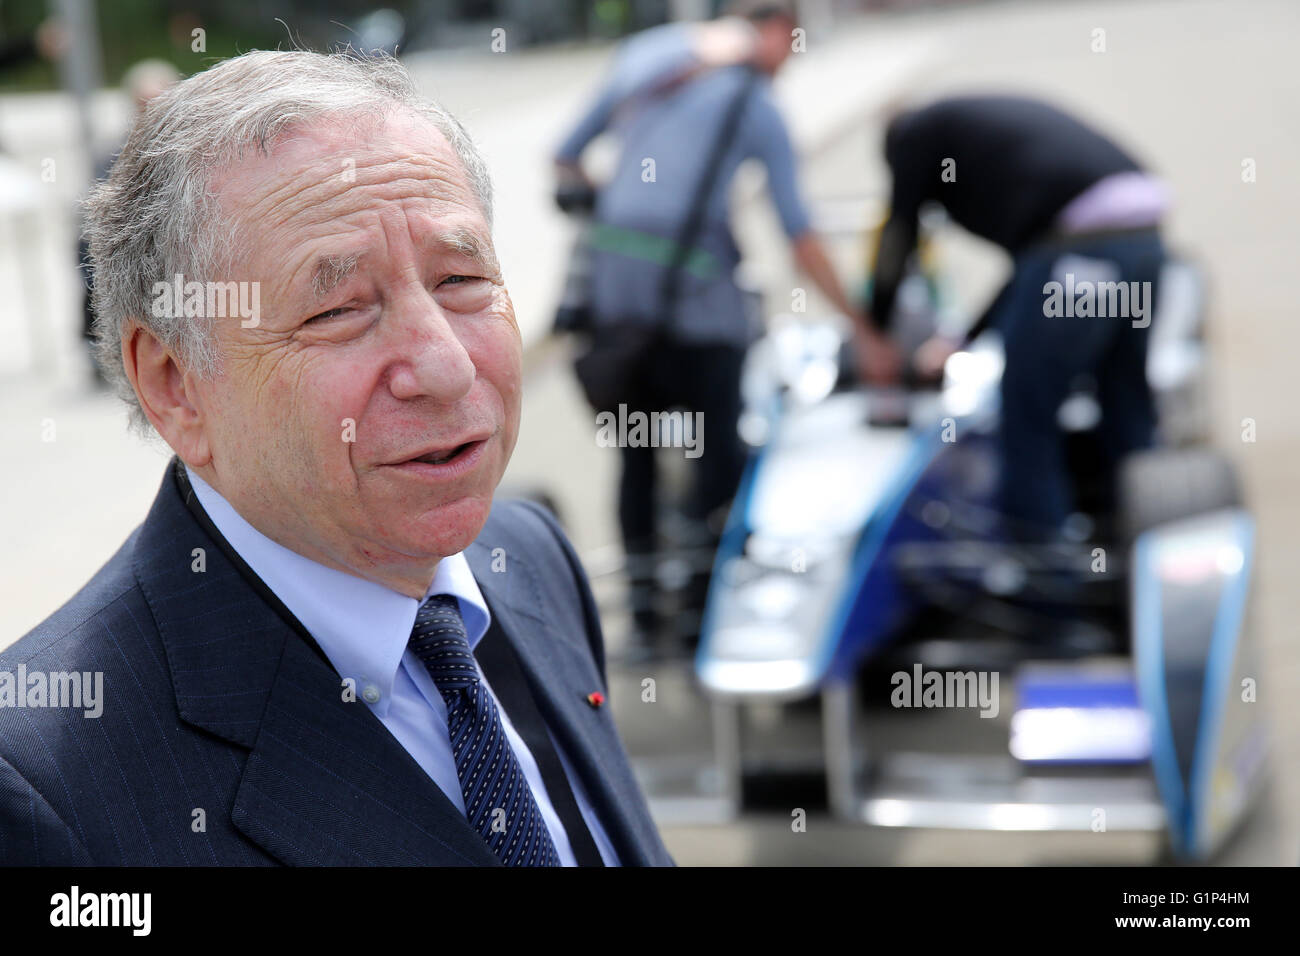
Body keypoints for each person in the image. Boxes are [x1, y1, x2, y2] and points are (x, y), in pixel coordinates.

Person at [0, 50, 672, 867]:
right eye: (340, 309)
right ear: (175, 384)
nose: (446, 366)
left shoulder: (529, 557)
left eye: (462, 278)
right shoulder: (46, 789)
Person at [554, 1, 895, 656]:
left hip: (615, 306)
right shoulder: (755, 103)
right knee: (719, 454)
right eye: (792, 48)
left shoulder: (643, 56)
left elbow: (566, 158)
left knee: (637, 455)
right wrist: (864, 326)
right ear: (772, 32)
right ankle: (704, 616)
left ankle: (648, 621)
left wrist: (627, 219)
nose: (787, 67)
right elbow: (799, 232)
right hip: (696, 305)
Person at [870, 94, 1170, 540]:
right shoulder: (991, 148)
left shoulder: (914, 135)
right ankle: (1146, 550)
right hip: (1143, 247)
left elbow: (899, 234)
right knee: (1123, 400)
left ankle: (1050, 587)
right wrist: (961, 340)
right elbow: (1027, 275)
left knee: (1028, 416)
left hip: (1082, 257)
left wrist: (876, 330)